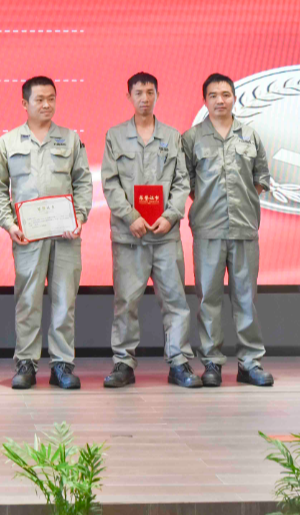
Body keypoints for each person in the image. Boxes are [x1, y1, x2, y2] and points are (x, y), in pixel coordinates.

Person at [0, 76, 93, 390]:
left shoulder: (70, 139)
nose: (46, 105)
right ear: (25, 103)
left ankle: (62, 364)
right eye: (39, 99)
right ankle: (26, 363)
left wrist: (79, 217)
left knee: (64, 301)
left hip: (65, 237)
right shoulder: (8, 142)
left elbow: (83, 182)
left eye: (51, 99)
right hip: (27, 237)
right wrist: (9, 225)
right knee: (28, 301)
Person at [101, 73, 203, 389]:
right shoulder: (115, 136)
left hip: (165, 235)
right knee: (126, 302)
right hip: (129, 236)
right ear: (128, 96)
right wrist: (130, 216)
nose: (144, 98)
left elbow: (182, 182)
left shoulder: (172, 136)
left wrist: (171, 216)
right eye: (138, 93)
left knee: (175, 301)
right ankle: (123, 363)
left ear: (157, 95)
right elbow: (110, 183)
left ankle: (179, 362)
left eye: (150, 92)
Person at [182, 73, 274, 387]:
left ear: (234, 97)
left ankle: (250, 363)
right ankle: (212, 363)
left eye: (225, 94)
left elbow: (261, 178)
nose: (220, 100)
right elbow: (187, 183)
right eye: (213, 95)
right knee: (208, 299)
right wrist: (210, 203)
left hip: (244, 228)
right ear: (205, 100)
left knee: (246, 299)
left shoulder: (250, 135)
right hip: (208, 229)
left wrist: (241, 203)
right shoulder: (192, 138)